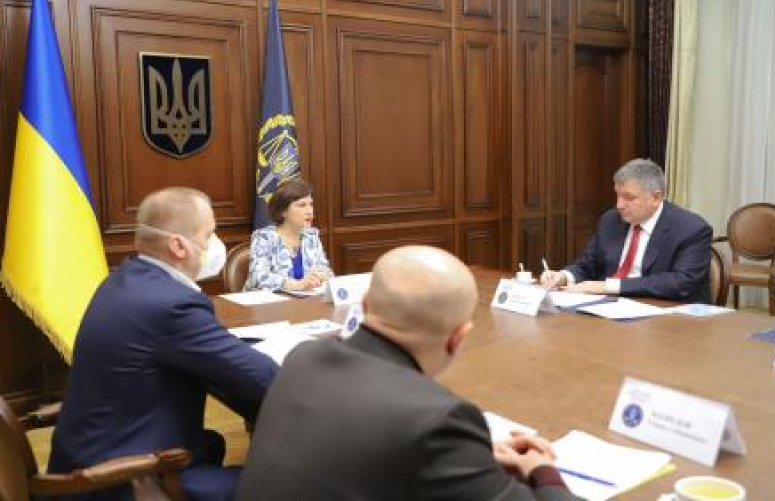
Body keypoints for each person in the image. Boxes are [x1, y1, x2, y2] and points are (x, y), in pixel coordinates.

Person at [237, 246, 577, 501]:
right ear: (458, 338)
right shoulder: (438, 419)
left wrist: (471, 457)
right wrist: (542, 469)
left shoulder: (302, 358)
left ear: (365, 305)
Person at [48, 187, 279, 501]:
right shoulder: (171, 305)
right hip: (118, 482)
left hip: (86, 455)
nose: (215, 244)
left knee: (212, 443)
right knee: (284, 484)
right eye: (209, 234)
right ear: (178, 246)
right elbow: (264, 378)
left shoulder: (124, 279)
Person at [540, 158, 712, 302]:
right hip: (610, 309)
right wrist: (563, 276)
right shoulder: (611, 220)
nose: (619, 205)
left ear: (656, 197)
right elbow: (587, 265)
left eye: (628, 197)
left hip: (668, 316)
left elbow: (680, 282)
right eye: (617, 195)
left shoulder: (691, 229)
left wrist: (608, 286)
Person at [244, 178, 332, 292]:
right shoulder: (264, 237)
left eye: (311, 204)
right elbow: (257, 278)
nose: (309, 211)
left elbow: (326, 270)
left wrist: (320, 276)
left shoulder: (311, 236)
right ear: (283, 211)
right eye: (302, 205)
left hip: (305, 299)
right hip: (269, 302)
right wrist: (297, 285)